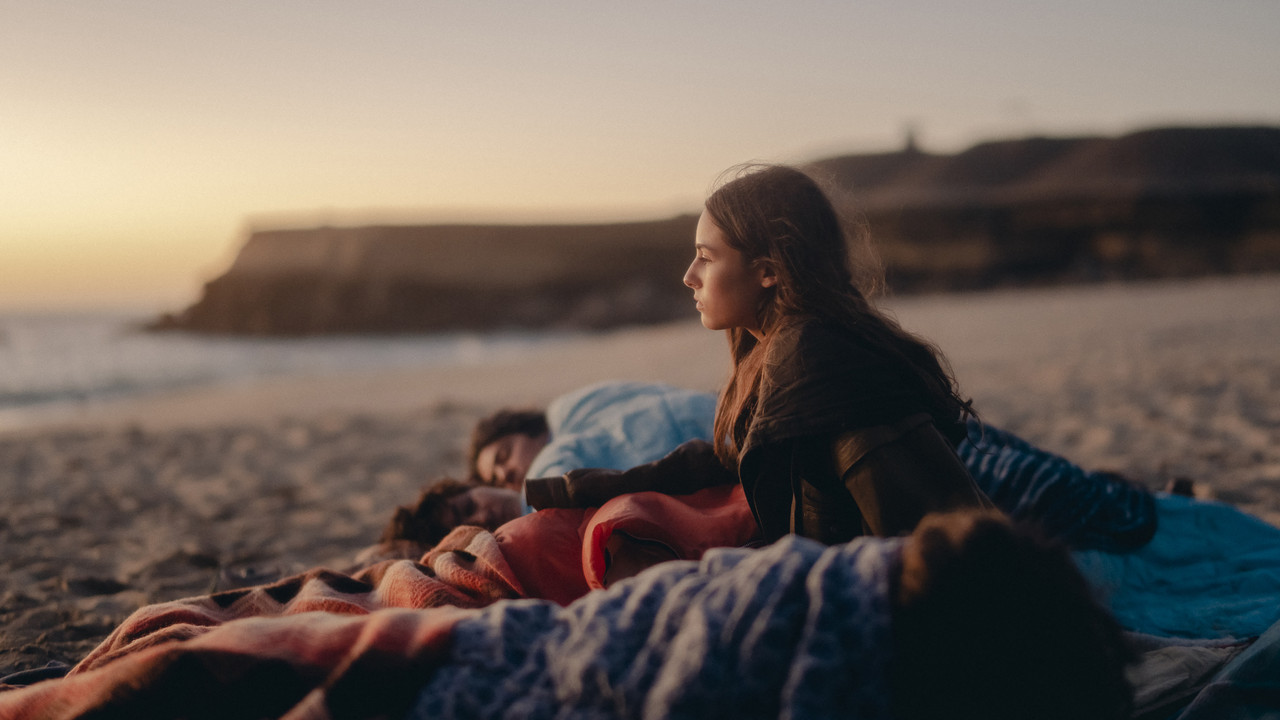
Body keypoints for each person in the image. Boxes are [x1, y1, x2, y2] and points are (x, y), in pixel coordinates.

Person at [523, 164, 995, 545]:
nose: (689, 276)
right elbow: (736, 456)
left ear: (767, 271)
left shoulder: (816, 361)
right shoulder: (777, 347)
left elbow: (929, 535)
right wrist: (584, 488)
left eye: (706, 257)